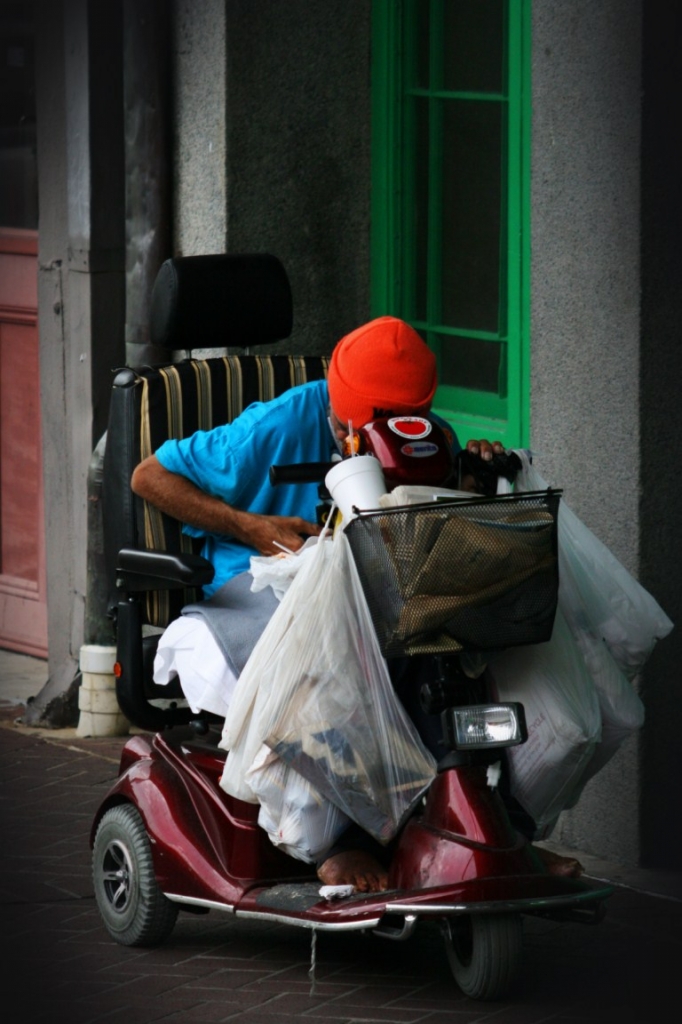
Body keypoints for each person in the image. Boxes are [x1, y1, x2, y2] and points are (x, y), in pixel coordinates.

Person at [132, 315, 582, 890]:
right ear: (342, 414)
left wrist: (471, 479)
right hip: (266, 582)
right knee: (336, 666)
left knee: (457, 652)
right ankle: (338, 841)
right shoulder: (279, 424)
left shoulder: (427, 434)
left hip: (374, 589)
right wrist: (250, 526)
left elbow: (428, 530)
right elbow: (150, 476)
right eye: (371, 427)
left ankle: (500, 827)